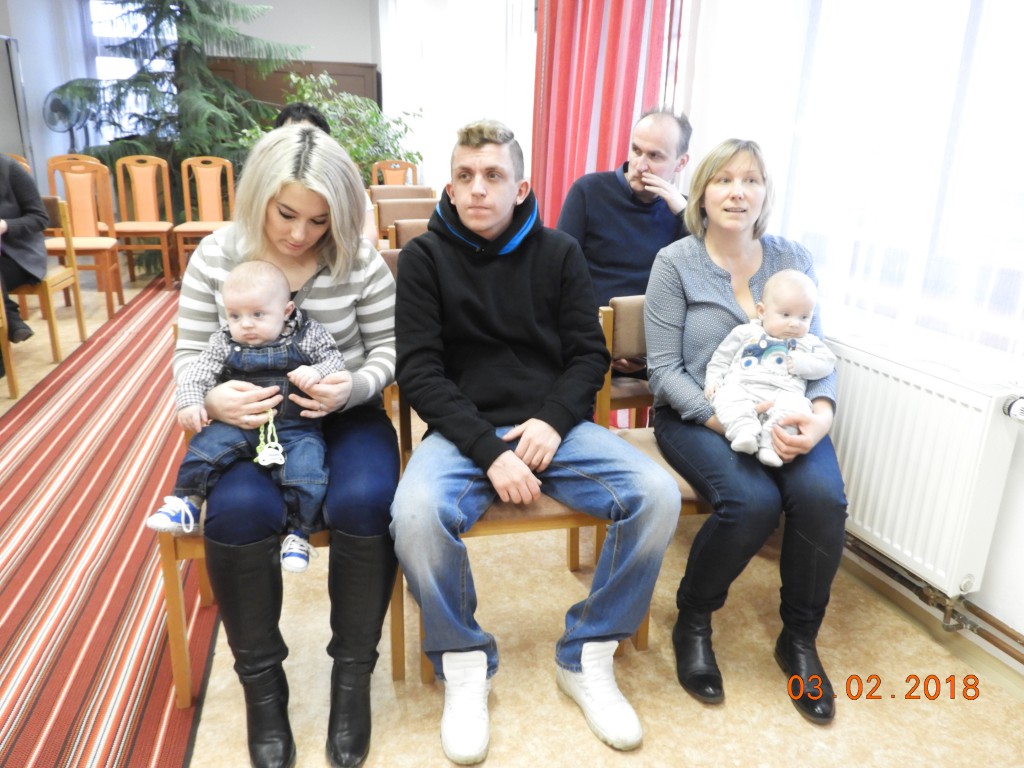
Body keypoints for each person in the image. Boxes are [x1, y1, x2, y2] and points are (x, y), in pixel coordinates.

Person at [391, 119, 681, 764]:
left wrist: (551, 421)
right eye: (465, 175)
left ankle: (588, 654)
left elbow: (587, 356)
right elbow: (420, 373)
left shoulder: (559, 253)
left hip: (556, 428)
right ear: (450, 186)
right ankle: (464, 663)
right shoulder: (423, 258)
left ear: (520, 188)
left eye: (493, 175)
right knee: (413, 515)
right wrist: (489, 451)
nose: (478, 188)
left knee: (656, 495)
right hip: (464, 433)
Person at [173, 124, 399, 768]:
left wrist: (353, 385)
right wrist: (215, 400)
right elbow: (190, 354)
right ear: (259, 199)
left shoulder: (359, 259)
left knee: (366, 501)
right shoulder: (218, 255)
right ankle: (263, 691)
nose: (300, 234)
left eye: (319, 220)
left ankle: (352, 678)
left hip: (344, 415)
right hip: (251, 421)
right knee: (240, 513)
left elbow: (389, 351)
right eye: (286, 214)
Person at [645, 137, 848, 725]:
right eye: (724, 180)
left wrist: (818, 423)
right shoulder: (675, 262)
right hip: (699, 413)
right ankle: (693, 620)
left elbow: (818, 354)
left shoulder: (793, 258)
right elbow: (664, 372)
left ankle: (799, 640)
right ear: (701, 193)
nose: (738, 192)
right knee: (751, 501)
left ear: (765, 194)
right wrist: (731, 422)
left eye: (751, 180)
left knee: (822, 498)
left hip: (788, 409)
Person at [149, 260, 345, 573]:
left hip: (295, 429)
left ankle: (299, 533)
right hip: (238, 424)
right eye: (235, 316)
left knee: (308, 471)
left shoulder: (307, 334)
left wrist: (317, 371)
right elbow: (198, 372)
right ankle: (187, 502)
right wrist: (190, 402)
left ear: (286, 310)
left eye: (258, 314)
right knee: (204, 448)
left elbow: (335, 360)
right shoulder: (224, 341)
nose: (246, 325)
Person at [557, 108, 691, 374]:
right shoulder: (589, 191)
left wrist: (685, 215)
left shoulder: (686, 213)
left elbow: (701, 284)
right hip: (589, 342)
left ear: (680, 163)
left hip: (658, 353)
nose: (639, 165)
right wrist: (600, 344)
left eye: (654, 156)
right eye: (636, 150)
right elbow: (559, 277)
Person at [704, 268, 836, 467]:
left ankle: (770, 445)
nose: (795, 324)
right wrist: (713, 380)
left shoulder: (809, 342)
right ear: (762, 311)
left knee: (798, 408)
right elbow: (721, 358)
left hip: (784, 394)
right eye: (786, 314)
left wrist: (802, 363)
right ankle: (744, 430)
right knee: (724, 396)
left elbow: (828, 363)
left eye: (804, 317)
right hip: (744, 387)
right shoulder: (745, 332)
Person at [274, 102, 380, 245]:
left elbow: (368, 230)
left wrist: (352, 255)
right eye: (286, 215)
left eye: (318, 221)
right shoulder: (264, 179)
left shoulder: (343, 180)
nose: (301, 143)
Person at [0, 153, 46, 371]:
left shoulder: (9, 168)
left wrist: (5, 225)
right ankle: (11, 316)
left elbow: (40, 218)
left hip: (18, 255)